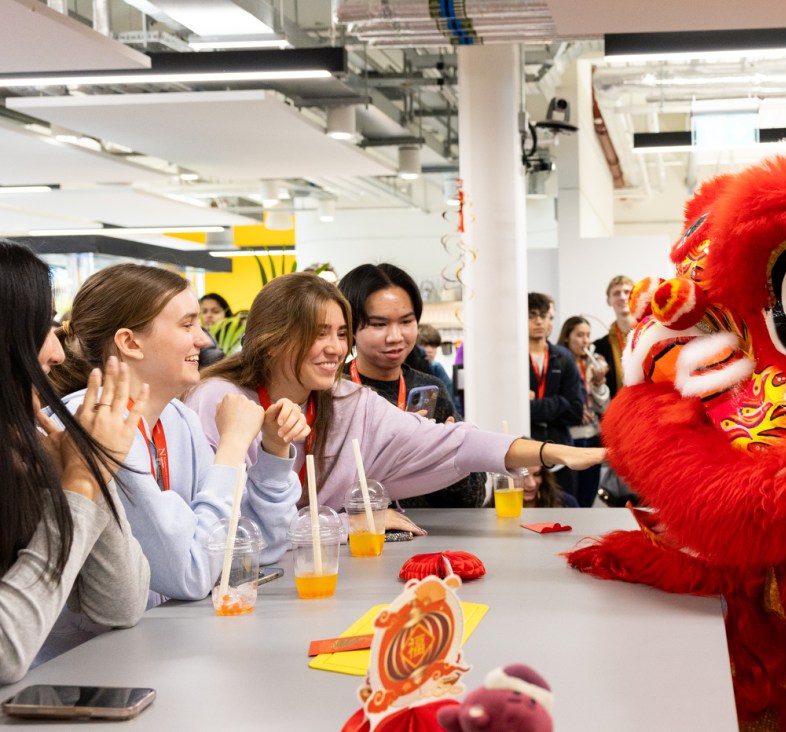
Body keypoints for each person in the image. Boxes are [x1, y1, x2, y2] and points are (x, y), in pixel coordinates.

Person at [186, 273, 604, 516]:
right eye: (318, 334)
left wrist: (553, 452)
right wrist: (346, 525)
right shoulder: (219, 401)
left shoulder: (350, 402)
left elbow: (452, 442)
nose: (335, 348)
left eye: (341, 333)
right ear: (273, 339)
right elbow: (224, 524)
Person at [50, 265, 304, 603]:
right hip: (88, 653)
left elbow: (256, 545)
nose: (204, 338)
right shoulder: (93, 423)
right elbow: (191, 573)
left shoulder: (178, 418)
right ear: (130, 342)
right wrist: (231, 446)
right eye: (187, 324)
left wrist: (273, 451)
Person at [0, 241, 149, 683]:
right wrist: (80, 484)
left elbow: (119, 604)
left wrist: (89, 471)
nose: (58, 353)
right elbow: (6, 649)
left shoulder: (27, 444)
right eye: (41, 326)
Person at [338, 263, 480, 508]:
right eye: (379, 324)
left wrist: (447, 454)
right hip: (360, 538)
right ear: (350, 327)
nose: (396, 336)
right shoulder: (334, 390)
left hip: (427, 539)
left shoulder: (430, 388)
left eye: (406, 321)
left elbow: (472, 501)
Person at [528, 293, 585, 498]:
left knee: (567, 512)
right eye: (532, 315)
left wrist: (536, 406)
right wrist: (560, 402)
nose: (539, 321)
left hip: (561, 452)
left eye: (544, 315)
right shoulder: (513, 358)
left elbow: (576, 412)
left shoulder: (564, 357)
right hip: (527, 453)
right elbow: (516, 409)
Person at [557, 316, 610, 507]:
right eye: (579, 335)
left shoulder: (594, 364)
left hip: (592, 436)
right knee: (570, 496)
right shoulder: (560, 364)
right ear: (566, 338)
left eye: (588, 335)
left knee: (588, 495)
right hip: (570, 437)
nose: (585, 341)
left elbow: (603, 406)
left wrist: (599, 383)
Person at [592, 275, 635, 400]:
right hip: (616, 409)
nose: (622, 297)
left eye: (627, 292)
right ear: (608, 300)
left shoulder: (650, 335)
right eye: (616, 293)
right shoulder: (599, 346)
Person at [417, 323, 456, 404]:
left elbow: (451, 399)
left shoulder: (436, 368)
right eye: (424, 345)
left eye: (434, 346)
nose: (430, 350)